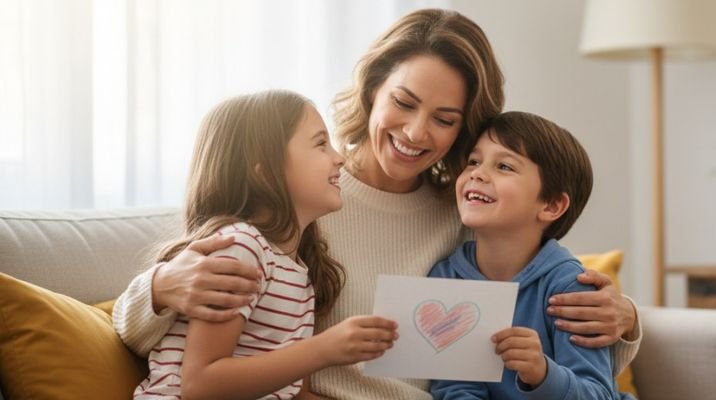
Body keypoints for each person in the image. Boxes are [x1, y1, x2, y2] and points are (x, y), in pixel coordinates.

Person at [114, 9, 640, 399]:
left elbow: (540, 294)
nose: (415, 132)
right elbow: (154, 341)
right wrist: (159, 289)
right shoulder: (300, 199)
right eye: (404, 103)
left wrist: (626, 319)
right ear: (372, 90)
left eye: (444, 118)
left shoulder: (465, 211)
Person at [133, 90, 399, 399]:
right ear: (266, 175)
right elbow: (200, 386)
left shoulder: (298, 270)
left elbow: (291, 393)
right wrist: (324, 350)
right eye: (320, 144)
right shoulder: (240, 249)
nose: (339, 158)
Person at [428, 111, 620, 399]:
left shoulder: (571, 288)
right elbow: (455, 388)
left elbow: (598, 394)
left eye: (504, 166)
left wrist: (543, 374)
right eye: (474, 161)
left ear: (552, 205)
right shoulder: (445, 278)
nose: (477, 173)